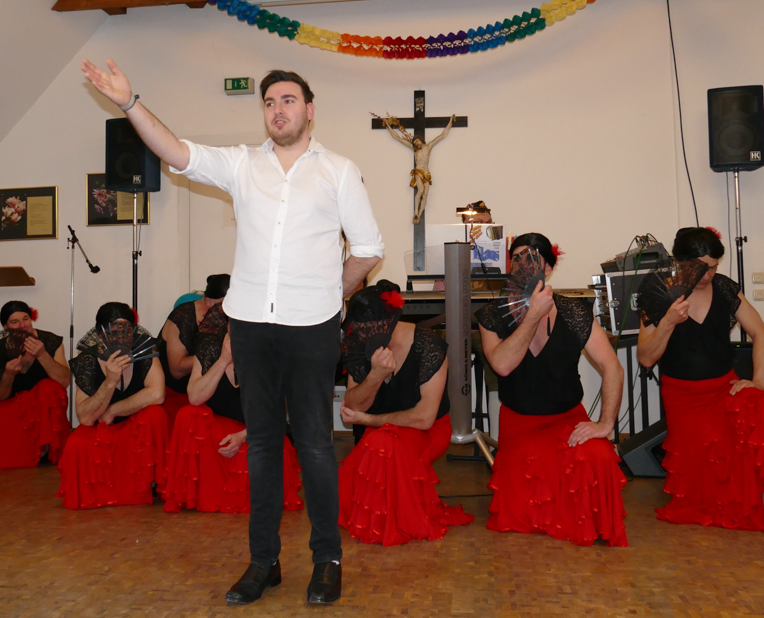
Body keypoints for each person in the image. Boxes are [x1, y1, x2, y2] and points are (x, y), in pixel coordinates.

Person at [80, 60, 383, 605]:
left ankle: (327, 560)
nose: (278, 110)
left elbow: (368, 249)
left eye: (288, 100)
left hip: (312, 327)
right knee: (262, 445)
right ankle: (263, 561)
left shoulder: (339, 170)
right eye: (269, 103)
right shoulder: (242, 164)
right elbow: (176, 152)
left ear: (309, 110)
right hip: (251, 327)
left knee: (315, 444)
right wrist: (128, 102)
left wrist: (330, 294)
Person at [637, 227, 764, 538]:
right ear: (680, 262)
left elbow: (761, 334)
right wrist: (668, 322)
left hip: (725, 388)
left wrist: (759, 381)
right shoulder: (658, 292)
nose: (708, 274)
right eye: (701, 267)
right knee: (705, 484)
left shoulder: (725, 288)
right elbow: (646, 358)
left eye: (713, 266)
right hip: (684, 399)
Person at [476, 234, 628, 546]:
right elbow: (502, 365)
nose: (523, 266)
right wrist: (532, 315)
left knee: (599, 457)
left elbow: (613, 367)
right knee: (522, 516)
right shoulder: (492, 314)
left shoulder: (573, 311)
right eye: (517, 259)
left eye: (531, 259)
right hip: (521, 425)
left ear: (547, 268)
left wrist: (606, 423)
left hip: (567, 420)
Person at [337, 281, 473, 546]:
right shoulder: (360, 344)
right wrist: (375, 375)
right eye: (358, 328)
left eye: (367, 328)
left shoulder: (428, 345)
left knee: (382, 445)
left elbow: (424, 418)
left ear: (388, 323)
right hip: (379, 433)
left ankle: (389, 523)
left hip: (426, 430)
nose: (361, 334)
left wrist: (369, 421)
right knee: (370, 455)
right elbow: (352, 408)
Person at [163, 302, 304, 514]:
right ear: (227, 324)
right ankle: (204, 495)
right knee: (188, 415)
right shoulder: (209, 348)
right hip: (218, 430)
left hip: (256, 431)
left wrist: (243, 436)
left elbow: (276, 414)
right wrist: (223, 361)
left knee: (264, 455)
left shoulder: (271, 355)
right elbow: (195, 397)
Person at [56, 302, 169, 510]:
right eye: (113, 332)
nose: (120, 338)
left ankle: (148, 483)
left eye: (126, 331)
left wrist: (113, 410)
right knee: (76, 442)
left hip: (135, 427)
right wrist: (110, 382)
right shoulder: (88, 359)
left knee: (156, 414)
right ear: (100, 334)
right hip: (102, 429)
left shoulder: (145, 350)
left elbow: (157, 394)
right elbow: (85, 417)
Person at [0, 301, 71, 469]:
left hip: (44, 407)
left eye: (26, 318)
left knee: (49, 388)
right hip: (15, 406)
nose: (23, 325)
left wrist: (42, 355)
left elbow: (64, 381)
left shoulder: (50, 341)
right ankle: (23, 451)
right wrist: (8, 375)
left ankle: (45, 447)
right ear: (5, 327)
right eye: (15, 322)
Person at [158, 274, 230, 428]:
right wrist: (216, 353)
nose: (227, 310)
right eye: (223, 304)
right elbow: (176, 370)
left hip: (207, 390)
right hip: (175, 393)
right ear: (208, 301)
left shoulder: (230, 320)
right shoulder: (184, 315)